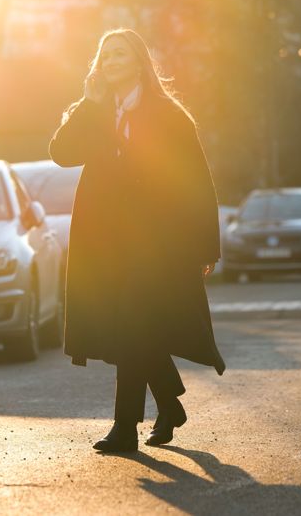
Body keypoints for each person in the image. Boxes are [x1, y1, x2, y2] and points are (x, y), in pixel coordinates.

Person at [50, 28, 225, 453]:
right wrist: (87, 106)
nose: (111, 61)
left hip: (156, 243)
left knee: (131, 328)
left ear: (139, 61)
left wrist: (205, 246)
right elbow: (62, 153)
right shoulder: (93, 110)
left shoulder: (168, 114)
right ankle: (169, 403)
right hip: (104, 244)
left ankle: (125, 427)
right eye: (104, 55)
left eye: (120, 54)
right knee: (128, 329)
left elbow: (196, 182)